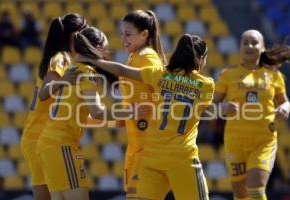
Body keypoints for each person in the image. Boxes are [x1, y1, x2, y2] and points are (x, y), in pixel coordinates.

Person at [76, 33, 214, 200]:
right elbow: (202, 110)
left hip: (152, 157)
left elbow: (121, 70)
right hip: (182, 158)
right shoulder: (206, 85)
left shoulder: (161, 74)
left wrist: (92, 60)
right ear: (201, 58)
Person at [36, 26, 146, 200]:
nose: (106, 53)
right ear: (96, 47)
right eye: (105, 47)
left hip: (49, 144)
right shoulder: (87, 73)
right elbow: (97, 112)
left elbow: (82, 116)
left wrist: (113, 122)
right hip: (61, 144)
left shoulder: (71, 69)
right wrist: (130, 112)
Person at [212, 29, 290, 200]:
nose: (250, 46)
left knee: (255, 189)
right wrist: (222, 109)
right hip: (235, 142)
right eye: (245, 42)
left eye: (254, 42)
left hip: (263, 141)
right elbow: (209, 107)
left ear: (263, 48)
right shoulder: (227, 75)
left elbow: (285, 101)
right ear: (240, 47)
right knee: (241, 195)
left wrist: (285, 107)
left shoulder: (274, 76)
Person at [20, 13, 86, 200]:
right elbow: (44, 92)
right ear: (75, 35)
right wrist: (64, 79)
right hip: (41, 136)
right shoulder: (61, 58)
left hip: (36, 136)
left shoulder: (59, 57)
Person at [116, 10, 166, 198]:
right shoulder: (133, 56)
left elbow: (165, 96)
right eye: (122, 34)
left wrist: (147, 109)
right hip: (135, 143)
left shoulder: (147, 57)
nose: (123, 38)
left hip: (147, 144)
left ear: (144, 34)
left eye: (128, 34)